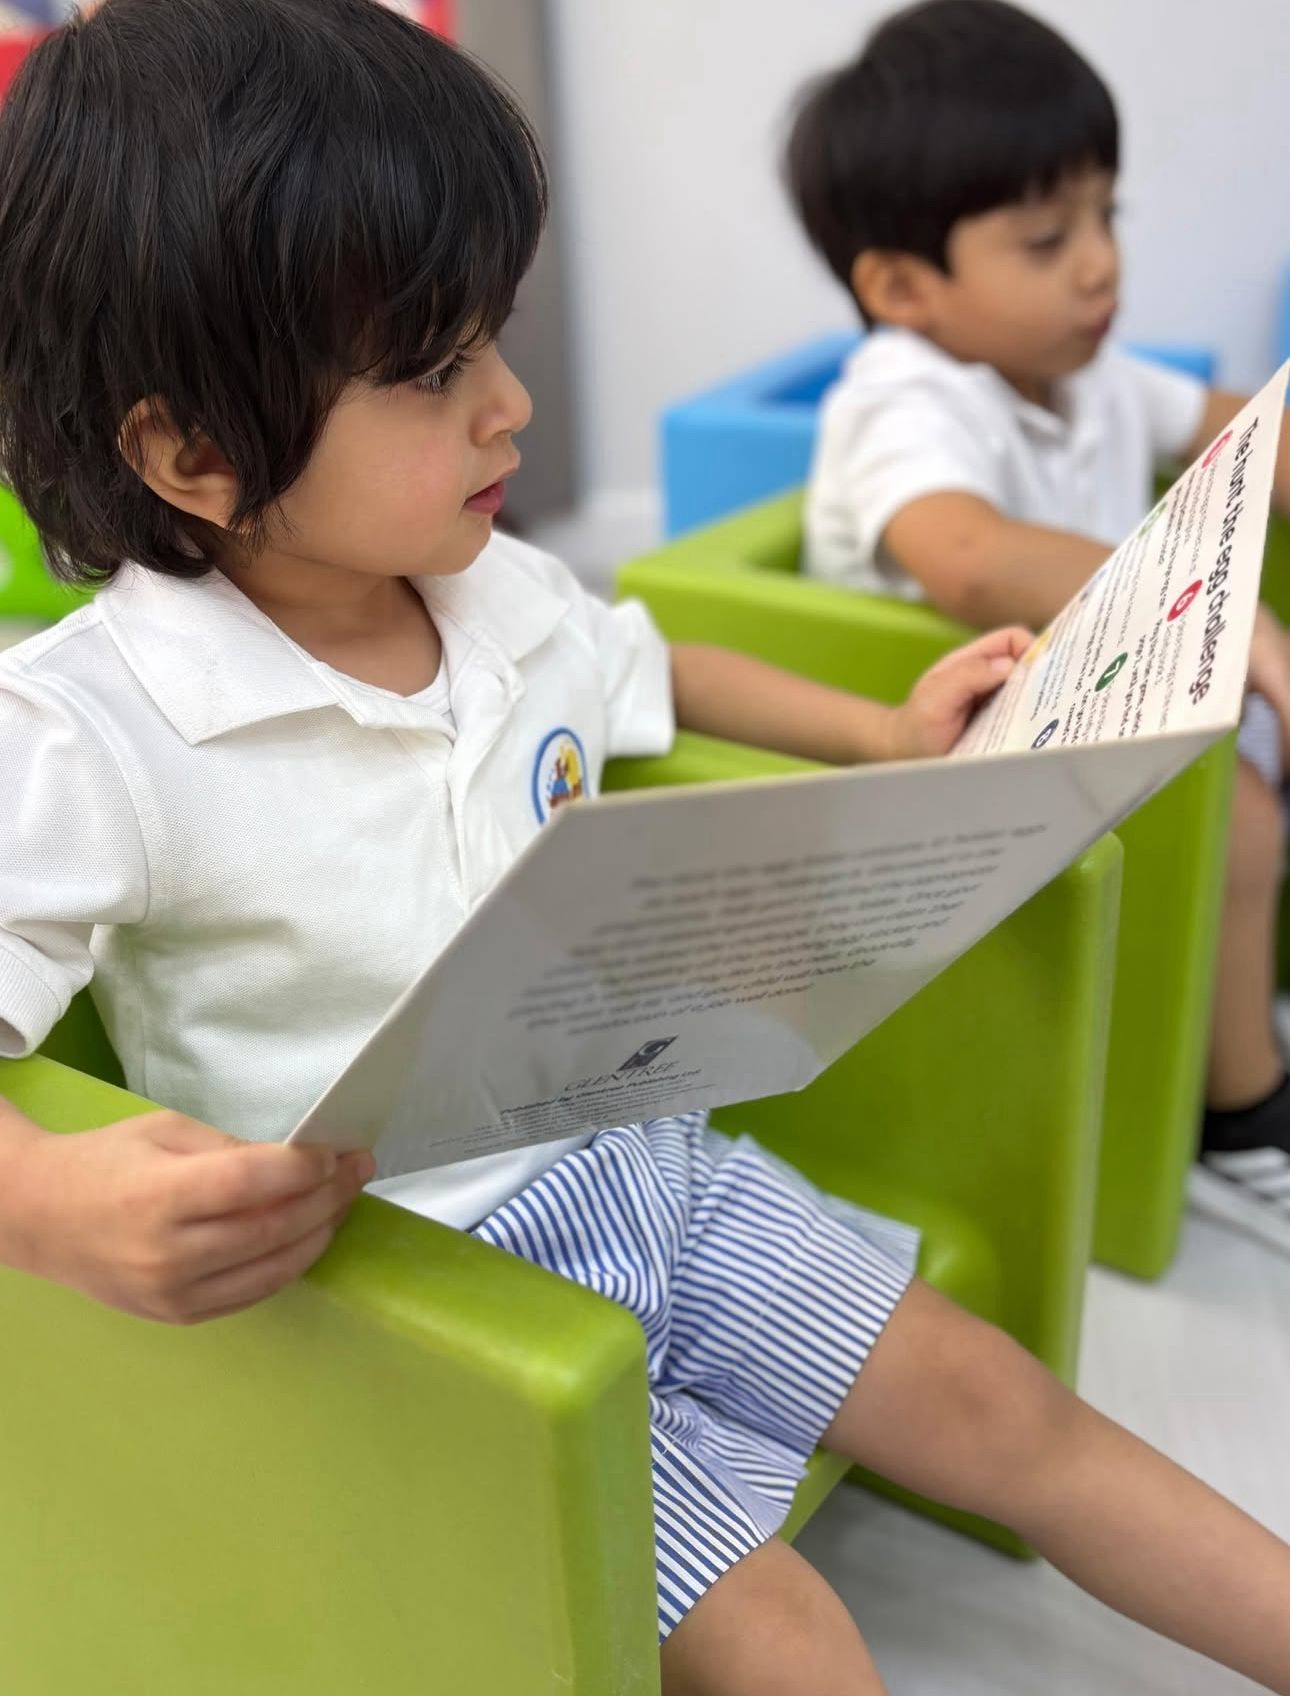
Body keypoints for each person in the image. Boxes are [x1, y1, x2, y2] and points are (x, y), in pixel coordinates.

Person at [1, 5, 1288, 1692]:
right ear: (192, 452)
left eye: (498, 336)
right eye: (432, 368)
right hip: (421, 1295)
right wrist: (47, 1195)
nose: (513, 404)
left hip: (652, 1160)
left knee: (1008, 1407)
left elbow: (655, 662)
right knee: (784, 1642)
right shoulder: (87, 732)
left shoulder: (492, 586)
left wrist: (886, 736)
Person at [786, 0, 1290, 1250]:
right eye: (1045, 236)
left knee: (1248, 786)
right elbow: (967, 557)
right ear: (905, 287)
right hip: (940, 743)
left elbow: (1251, 433)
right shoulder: (901, 397)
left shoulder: (1089, 371)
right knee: (1243, 814)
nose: (1100, 262)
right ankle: (1240, 1117)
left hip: (1095, 708)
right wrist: (1223, 612)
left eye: (1107, 215)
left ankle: (1236, 1016)